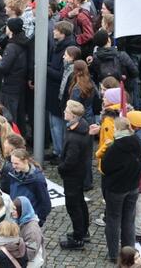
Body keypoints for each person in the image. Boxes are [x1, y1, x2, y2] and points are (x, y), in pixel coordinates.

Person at [101, 116, 141, 262]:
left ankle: (113, 255)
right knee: (128, 220)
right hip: (133, 186)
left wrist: (106, 150)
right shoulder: (136, 141)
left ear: (117, 129)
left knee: (113, 220)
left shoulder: (115, 148)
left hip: (117, 189)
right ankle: (128, 253)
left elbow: (105, 167)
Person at [58, 100, 91, 250]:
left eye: (66, 110)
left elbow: (70, 161)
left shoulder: (74, 138)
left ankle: (78, 238)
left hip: (72, 175)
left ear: (72, 115)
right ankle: (83, 231)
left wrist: (61, 168)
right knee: (79, 202)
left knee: (73, 205)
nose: (64, 112)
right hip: (79, 173)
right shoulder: (82, 128)